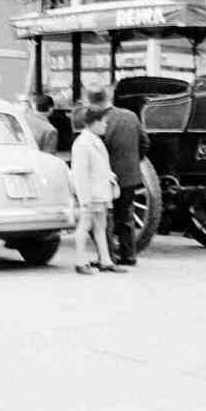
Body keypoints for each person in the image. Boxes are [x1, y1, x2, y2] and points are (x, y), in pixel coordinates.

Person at [86, 86, 150, 266]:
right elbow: (144, 143)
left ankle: (107, 258)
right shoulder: (131, 116)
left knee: (104, 217)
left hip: (106, 177)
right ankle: (128, 256)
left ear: (90, 100)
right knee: (126, 216)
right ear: (109, 97)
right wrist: (132, 163)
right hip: (130, 176)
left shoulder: (96, 121)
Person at [70, 107, 126, 275]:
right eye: (102, 121)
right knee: (85, 226)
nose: (105, 124)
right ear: (93, 122)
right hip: (91, 194)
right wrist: (84, 199)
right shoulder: (83, 144)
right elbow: (80, 174)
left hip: (100, 193)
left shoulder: (94, 141)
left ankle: (105, 260)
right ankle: (81, 262)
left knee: (101, 226)